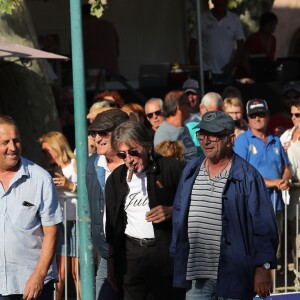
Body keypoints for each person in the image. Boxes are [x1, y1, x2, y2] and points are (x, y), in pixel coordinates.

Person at [171, 111, 279, 299]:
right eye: (202, 134)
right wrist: (176, 254)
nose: (206, 140)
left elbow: (264, 226)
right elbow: (179, 216)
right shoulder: (191, 170)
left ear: (230, 139)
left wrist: (263, 267)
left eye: (213, 135)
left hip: (233, 275)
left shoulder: (248, 176)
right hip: (197, 276)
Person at [105, 121, 186, 300]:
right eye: (122, 155)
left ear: (146, 145)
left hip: (165, 253)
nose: (129, 159)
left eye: (133, 152)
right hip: (131, 254)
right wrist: (111, 266)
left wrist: (173, 211)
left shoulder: (171, 168)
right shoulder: (116, 179)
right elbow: (112, 226)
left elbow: (196, 203)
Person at [0, 115, 63, 299]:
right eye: (5, 142)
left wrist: (39, 276)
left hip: (31, 285)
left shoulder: (40, 178)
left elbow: (52, 231)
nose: (13, 147)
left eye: (16, 140)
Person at [234, 99, 291, 267]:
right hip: (253, 205)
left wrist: (285, 179)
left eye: (261, 114)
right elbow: (241, 173)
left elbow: (286, 167)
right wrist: (272, 182)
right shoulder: (243, 140)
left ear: (268, 115)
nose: (257, 118)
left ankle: (271, 291)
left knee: (275, 249)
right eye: (253, 115)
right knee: (255, 250)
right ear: (248, 118)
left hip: (276, 203)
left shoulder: (276, 140)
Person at [86, 109, 129, 300]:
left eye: (103, 133)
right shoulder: (91, 164)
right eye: (94, 133)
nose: (97, 138)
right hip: (106, 255)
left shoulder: (138, 161)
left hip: (137, 255)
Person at [39, 131, 81, 300]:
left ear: (57, 147)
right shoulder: (50, 171)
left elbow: (88, 191)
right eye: (43, 151)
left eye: (47, 150)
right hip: (61, 223)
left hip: (79, 222)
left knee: (77, 271)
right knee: (61, 271)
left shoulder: (76, 163)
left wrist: (70, 185)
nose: (45, 154)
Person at [188, 0, 244, 83]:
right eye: (217, 0)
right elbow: (193, 42)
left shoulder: (234, 19)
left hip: (226, 73)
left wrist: (233, 65)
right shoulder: (203, 18)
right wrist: (194, 65)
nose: (220, 2)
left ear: (227, 2)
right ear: (212, 1)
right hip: (206, 72)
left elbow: (241, 45)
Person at [280, 101, 300, 268]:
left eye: (297, 115)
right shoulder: (286, 135)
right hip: (288, 196)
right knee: (293, 235)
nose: (293, 118)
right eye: (292, 114)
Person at [154, 90, 197, 162]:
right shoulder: (163, 135)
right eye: (188, 104)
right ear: (179, 107)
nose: (191, 107)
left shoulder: (184, 127)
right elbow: (168, 167)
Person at [239, 12, 278, 81]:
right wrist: (252, 74)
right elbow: (244, 60)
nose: (273, 27)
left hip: (265, 77)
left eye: (274, 24)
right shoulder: (253, 39)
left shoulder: (273, 40)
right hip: (248, 78)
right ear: (263, 25)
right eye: (270, 24)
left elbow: (270, 60)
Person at [185, 92, 223, 156]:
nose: (215, 117)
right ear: (202, 108)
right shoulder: (190, 128)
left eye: (218, 113)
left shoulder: (223, 127)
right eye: (212, 114)